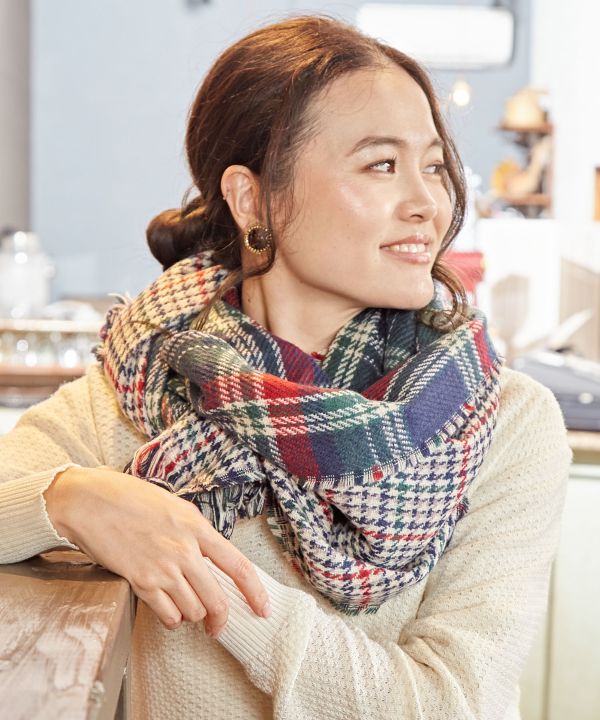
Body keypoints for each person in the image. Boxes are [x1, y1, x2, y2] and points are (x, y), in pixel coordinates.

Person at [0, 15, 572, 720]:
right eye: (382, 164)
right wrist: (71, 500)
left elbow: (453, 704)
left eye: (433, 165)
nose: (430, 202)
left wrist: (199, 569)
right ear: (253, 198)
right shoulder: (148, 382)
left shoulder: (503, 422)